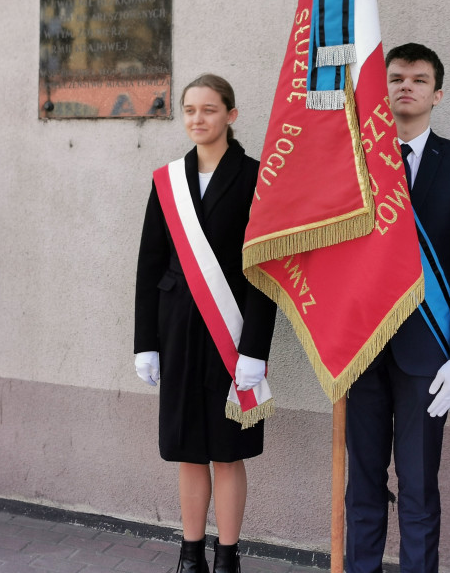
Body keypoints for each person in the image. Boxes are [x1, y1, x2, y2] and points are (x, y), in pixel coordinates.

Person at [345, 43, 450, 573]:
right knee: (361, 483)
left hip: (428, 353)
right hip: (358, 349)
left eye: (419, 79)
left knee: (419, 485)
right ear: (381, 90)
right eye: (397, 77)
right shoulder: (352, 160)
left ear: (438, 93)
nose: (407, 86)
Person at [134, 74, 277, 573]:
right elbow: (150, 264)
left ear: (231, 116)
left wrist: (256, 349)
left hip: (231, 332)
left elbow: (264, 271)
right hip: (177, 332)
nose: (198, 119)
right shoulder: (167, 180)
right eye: (190, 110)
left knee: (227, 450)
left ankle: (228, 556)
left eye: (209, 110)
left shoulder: (257, 177)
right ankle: (190, 553)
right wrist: (145, 343)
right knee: (188, 449)